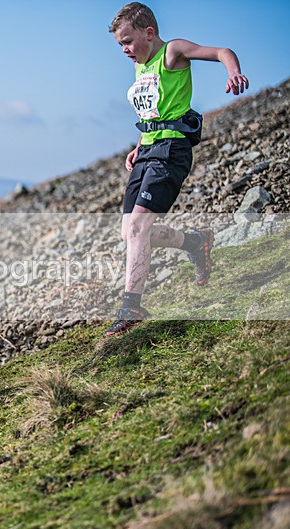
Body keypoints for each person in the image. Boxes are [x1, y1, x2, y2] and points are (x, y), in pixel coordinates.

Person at [104, 2, 249, 336]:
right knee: (130, 233)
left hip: (171, 150)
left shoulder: (172, 52)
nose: (124, 50)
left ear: (149, 32)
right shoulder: (140, 66)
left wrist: (233, 72)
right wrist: (139, 146)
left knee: (138, 227)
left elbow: (222, 52)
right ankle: (195, 242)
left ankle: (131, 306)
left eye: (127, 41)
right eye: (120, 45)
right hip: (148, 150)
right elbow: (153, 112)